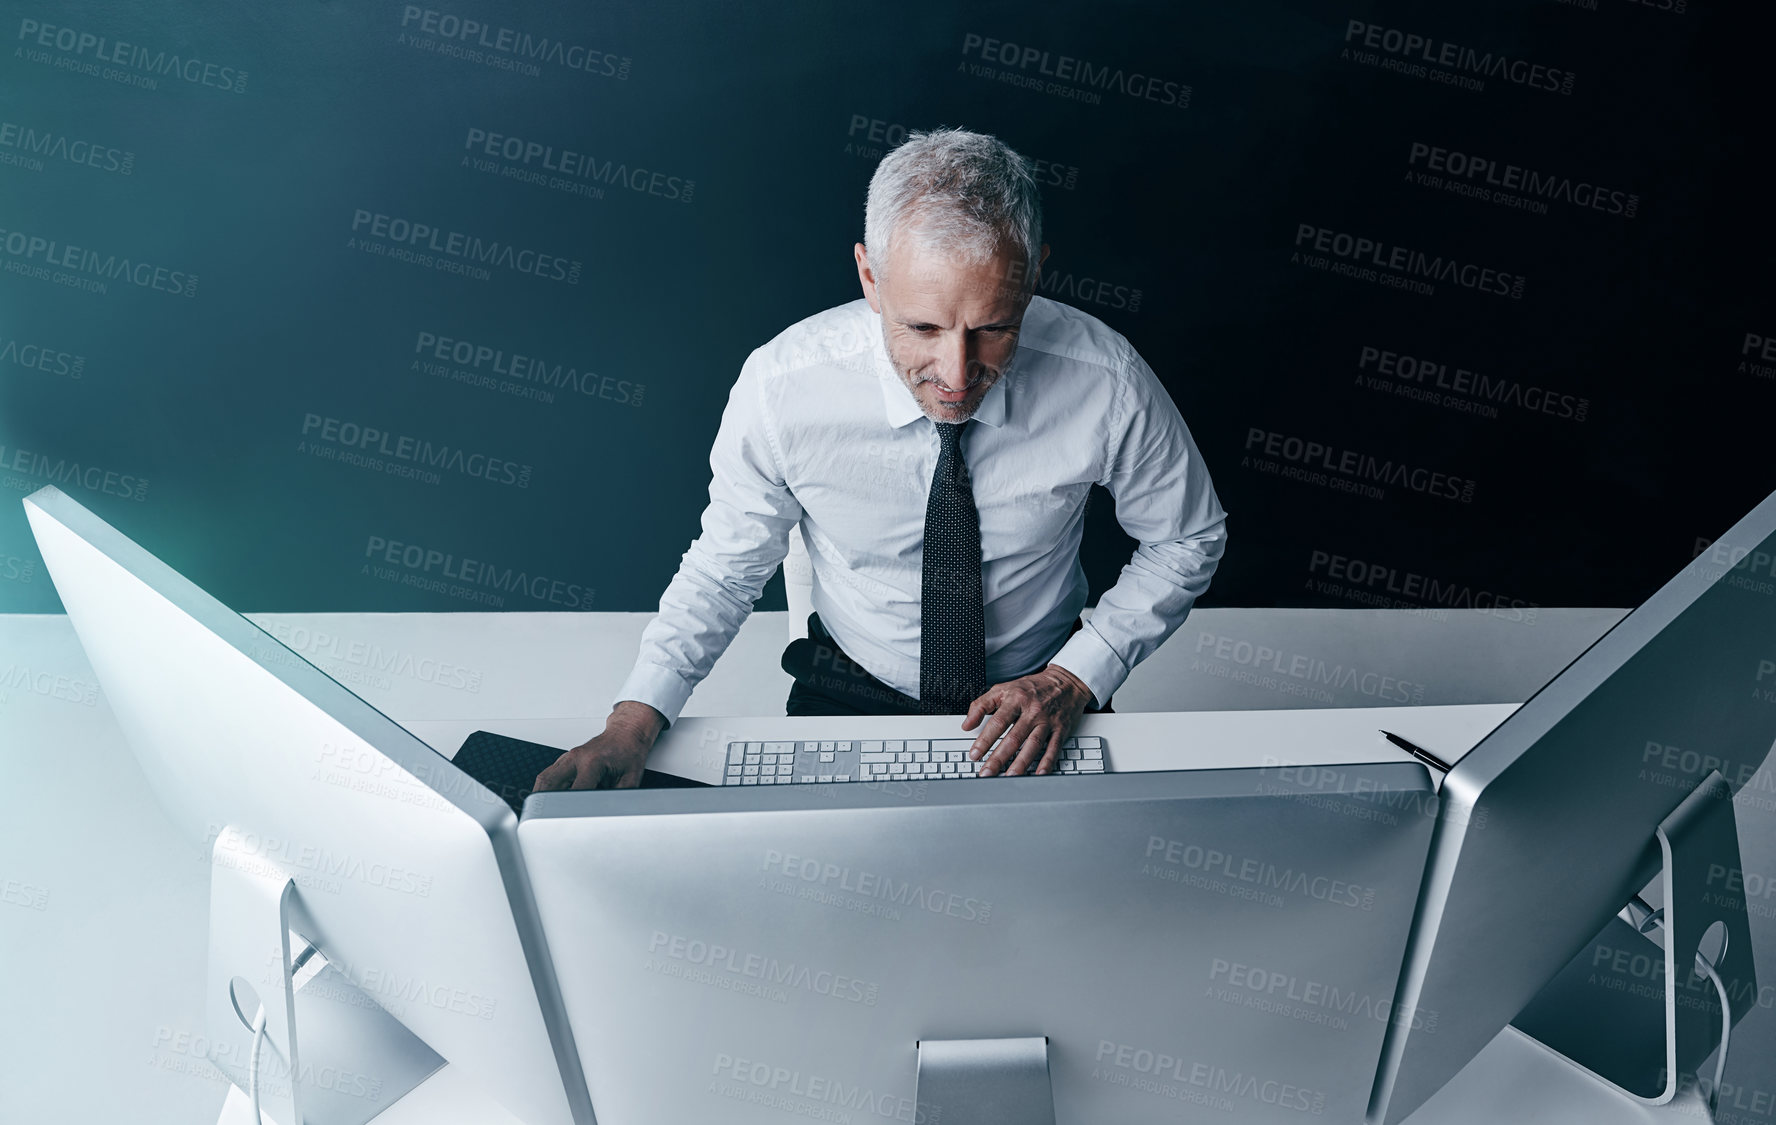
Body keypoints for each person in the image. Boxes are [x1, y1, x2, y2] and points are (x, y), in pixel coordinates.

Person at [536, 127, 1226, 790]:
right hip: (850, 685)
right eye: (922, 327)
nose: (956, 373)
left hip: (1044, 692)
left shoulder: (1104, 378)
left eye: (995, 328)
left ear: (1035, 274)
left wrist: (1077, 676)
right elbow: (724, 569)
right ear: (869, 275)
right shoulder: (783, 390)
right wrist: (634, 718)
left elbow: (1187, 534)